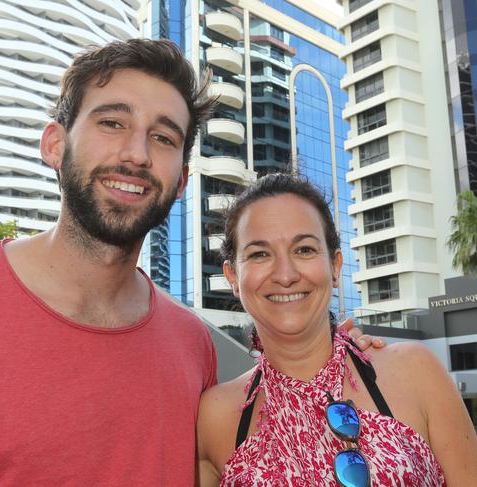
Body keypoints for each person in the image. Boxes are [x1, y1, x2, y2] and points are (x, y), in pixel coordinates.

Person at [0, 40, 377, 487]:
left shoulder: (193, 346)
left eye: (163, 137)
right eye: (112, 123)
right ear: (54, 145)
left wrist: (347, 355)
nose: (137, 153)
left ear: (182, 181)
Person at [197, 173, 477, 486]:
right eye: (259, 254)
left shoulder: (415, 371)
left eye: (303, 249)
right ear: (233, 277)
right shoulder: (214, 417)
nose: (285, 274)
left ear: (335, 266)